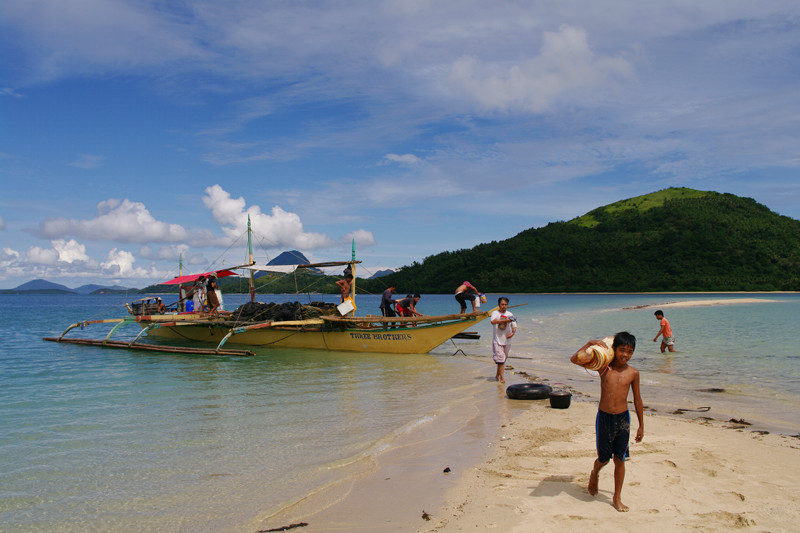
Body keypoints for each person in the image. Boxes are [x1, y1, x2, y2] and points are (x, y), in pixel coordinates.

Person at [571, 331, 644, 512]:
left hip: (623, 420)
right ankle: (594, 474)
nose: (625, 355)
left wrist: (641, 425)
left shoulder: (633, 373)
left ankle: (617, 497)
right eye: (622, 350)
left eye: (630, 351)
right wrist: (589, 343)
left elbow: (637, 400)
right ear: (614, 349)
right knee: (603, 459)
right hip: (604, 418)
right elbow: (575, 359)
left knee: (620, 459)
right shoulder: (604, 368)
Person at [490, 297, 516, 382]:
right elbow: (493, 322)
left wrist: (512, 333)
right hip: (497, 340)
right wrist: (504, 320)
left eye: (505, 304)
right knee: (501, 359)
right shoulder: (495, 313)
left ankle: (497, 375)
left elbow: (514, 325)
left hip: (507, 341)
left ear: (507, 305)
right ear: (499, 305)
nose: (504, 306)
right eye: (502, 304)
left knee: (503, 359)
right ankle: (502, 378)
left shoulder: (510, 314)